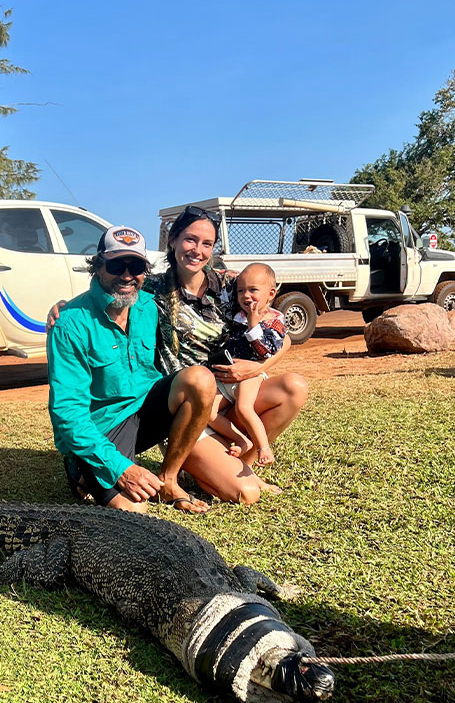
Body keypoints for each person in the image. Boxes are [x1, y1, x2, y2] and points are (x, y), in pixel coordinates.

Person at [47, 226, 219, 514]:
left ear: (144, 271)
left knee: (200, 379)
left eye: (136, 266)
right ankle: (80, 464)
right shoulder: (69, 323)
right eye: (116, 265)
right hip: (103, 426)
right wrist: (121, 469)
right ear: (98, 267)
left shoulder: (150, 304)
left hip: (145, 408)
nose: (127, 275)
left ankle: (168, 479)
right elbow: (68, 414)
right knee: (134, 513)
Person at [145, 206, 308, 502]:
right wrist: (64, 307)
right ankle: (206, 465)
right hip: (190, 410)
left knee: (294, 387)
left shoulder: (231, 285)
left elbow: (282, 340)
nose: (197, 250)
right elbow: (110, 289)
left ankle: (242, 463)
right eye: (190, 240)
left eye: (207, 243)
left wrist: (256, 368)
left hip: (228, 396)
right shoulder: (153, 288)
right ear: (173, 241)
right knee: (246, 495)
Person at [210, 263, 289, 467]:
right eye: (241, 291)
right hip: (226, 376)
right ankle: (240, 440)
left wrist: (254, 326)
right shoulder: (237, 314)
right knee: (207, 412)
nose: (246, 296)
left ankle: (263, 447)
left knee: (244, 407)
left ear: (271, 294)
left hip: (251, 375)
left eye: (253, 290)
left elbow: (267, 352)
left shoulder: (274, 321)